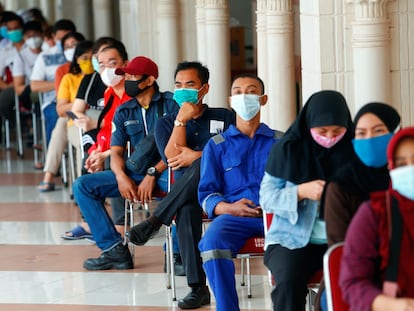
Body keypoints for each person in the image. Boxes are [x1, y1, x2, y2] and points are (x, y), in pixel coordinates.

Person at [127, 61, 235, 309]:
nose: (183, 90)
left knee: (202, 163)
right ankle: (198, 288)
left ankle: (155, 220)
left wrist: (199, 156)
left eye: (190, 85)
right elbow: (173, 159)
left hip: (224, 187)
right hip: (191, 193)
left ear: (204, 88)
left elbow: (232, 153)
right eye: (178, 85)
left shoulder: (224, 116)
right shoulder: (166, 122)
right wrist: (181, 121)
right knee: (186, 211)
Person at [72, 55, 178, 270]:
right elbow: (116, 152)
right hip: (136, 172)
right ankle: (114, 249)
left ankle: (176, 253)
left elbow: (177, 149)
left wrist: (152, 173)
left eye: (133, 76)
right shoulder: (124, 110)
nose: (127, 79)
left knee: (182, 186)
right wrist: (121, 177)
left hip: (167, 169)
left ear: (149, 80)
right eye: (126, 75)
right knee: (83, 186)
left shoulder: (172, 104)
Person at [259, 90, 355, 311]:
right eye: (322, 131)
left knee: (352, 285)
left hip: (344, 239)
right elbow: (267, 198)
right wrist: (301, 191)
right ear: (309, 123)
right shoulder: (287, 150)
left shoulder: (355, 152)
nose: (330, 137)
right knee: (288, 285)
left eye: (337, 131)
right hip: (291, 239)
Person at [198, 73, 281, 311]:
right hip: (235, 218)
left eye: (251, 91)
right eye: (238, 92)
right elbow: (206, 194)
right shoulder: (216, 146)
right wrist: (229, 208)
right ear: (230, 100)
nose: (244, 96)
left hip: (277, 217)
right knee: (211, 242)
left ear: (263, 99)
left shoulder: (282, 142)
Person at [316, 102, 401, 311]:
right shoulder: (341, 186)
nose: (370, 139)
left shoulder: (405, 178)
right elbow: (342, 249)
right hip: (352, 279)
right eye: (361, 133)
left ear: (395, 134)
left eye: (378, 131)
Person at [340, 127, 414, 311]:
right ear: (392, 168)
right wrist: (399, 306)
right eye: (402, 164)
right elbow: (353, 283)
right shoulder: (374, 213)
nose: (411, 168)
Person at [61, 37, 125, 240]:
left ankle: (119, 222)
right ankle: (88, 221)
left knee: (113, 161)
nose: (105, 67)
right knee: (88, 160)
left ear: (123, 62)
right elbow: (76, 111)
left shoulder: (130, 86)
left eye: (111, 62)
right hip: (94, 132)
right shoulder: (90, 81)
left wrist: (97, 127)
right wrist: (92, 126)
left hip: (114, 137)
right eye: (101, 60)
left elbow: (122, 123)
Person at [38, 38, 92, 192]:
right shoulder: (69, 78)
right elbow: (61, 109)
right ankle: (75, 184)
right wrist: (80, 101)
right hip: (74, 118)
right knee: (72, 131)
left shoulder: (100, 78)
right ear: (77, 59)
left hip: (96, 119)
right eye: (84, 58)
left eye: (92, 58)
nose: (88, 62)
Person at [30, 19, 76, 146]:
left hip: (79, 99)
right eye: (59, 38)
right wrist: (61, 85)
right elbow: (34, 85)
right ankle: (54, 155)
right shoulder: (45, 56)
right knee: (56, 117)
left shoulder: (82, 55)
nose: (62, 41)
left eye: (66, 38)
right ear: (54, 37)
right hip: (53, 101)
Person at [0, 11, 24, 121]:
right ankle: (19, 126)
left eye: (16, 28)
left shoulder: (33, 46)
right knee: (3, 101)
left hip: (33, 85)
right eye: (10, 29)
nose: (14, 31)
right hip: (14, 87)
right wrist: (6, 86)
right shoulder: (4, 51)